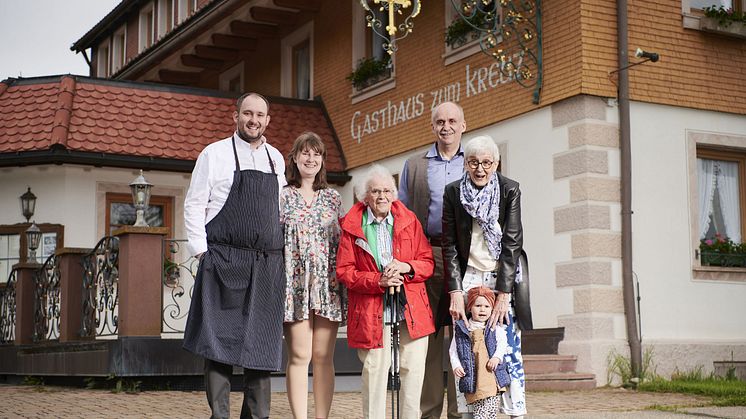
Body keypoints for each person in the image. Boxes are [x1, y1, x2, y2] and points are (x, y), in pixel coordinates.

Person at [183, 92, 286, 419]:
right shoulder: (214, 154)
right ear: (236, 116)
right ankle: (221, 415)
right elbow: (194, 204)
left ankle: (257, 416)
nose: (253, 120)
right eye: (247, 113)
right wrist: (202, 252)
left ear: (267, 120)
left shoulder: (276, 158)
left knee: (262, 344)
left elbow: (280, 210)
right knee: (219, 344)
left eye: (260, 115)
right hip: (223, 261)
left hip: (267, 264)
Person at [442, 135, 533, 419]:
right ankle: (470, 412)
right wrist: (455, 291)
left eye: (486, 162)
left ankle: (514, 412)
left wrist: (504, 294)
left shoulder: (509, 190)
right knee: (464, 344)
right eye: (473, 162)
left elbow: (512, 242)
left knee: (507, 345)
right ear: (465, 163)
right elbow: (449, 245)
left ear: (495, 164)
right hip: (467, 276)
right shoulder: (453, 192)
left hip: (500, 277)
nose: (480, 169)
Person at [336, 165, 435, 419]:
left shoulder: (409, 220)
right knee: (374, 371)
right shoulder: (352, 225)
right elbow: (345, 271)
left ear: (395, 193)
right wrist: (378, 280)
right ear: (364, 196)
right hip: (371, 310)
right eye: (376, 191)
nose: (382, 196)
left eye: (388, 190)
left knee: (413, 373)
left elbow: (427, 262)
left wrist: (406, 267)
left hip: (410, 306)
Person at [398, 101, 466, 419]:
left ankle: (460, 411)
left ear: (463, 126)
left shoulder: (476, 160)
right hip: (425, 256)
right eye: (440, 121)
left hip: (465, 261)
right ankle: (428, 412)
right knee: (426, 339)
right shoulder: (414, 165)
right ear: (432, 126)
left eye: (453, 121)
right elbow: (402, 217)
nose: (446, 126)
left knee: (463, 338)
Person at [281, 132, 346, 419]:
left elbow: (345, 240)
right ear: (295, 158)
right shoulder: (282, 195)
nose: (310, 159)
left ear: (322, 160)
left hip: (327, 285)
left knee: (322, 357)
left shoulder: (333, 198)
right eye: (305, 153)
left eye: (316, 154)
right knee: (299, 356)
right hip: (293, 285)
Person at [449, 286, 508, 419]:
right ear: (470, 307)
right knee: (480, 410)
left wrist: (496, 358)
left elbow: (502, 343)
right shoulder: (463, 329)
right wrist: (456, 365)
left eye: (487, 306)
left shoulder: (493, 328)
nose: (483, 309)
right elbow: (453, 349)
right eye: (478, 305)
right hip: (475, 377)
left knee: (490, 410)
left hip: (491, 377)